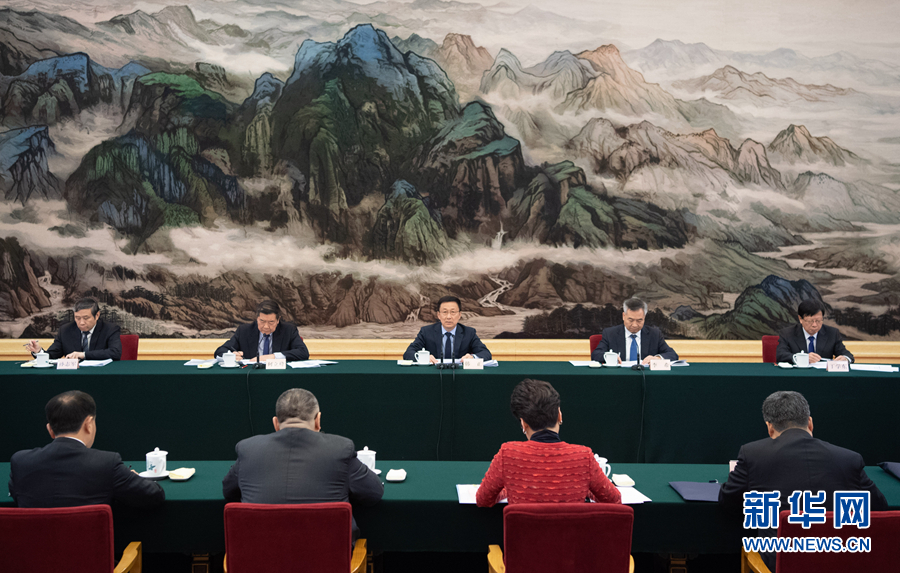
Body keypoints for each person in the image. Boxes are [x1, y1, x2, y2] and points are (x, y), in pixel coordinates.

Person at [222, 388, 383, 542]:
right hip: (326, 557)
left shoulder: (248, 449)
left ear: (276, 423)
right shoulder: (341, 449)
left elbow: (229, 492)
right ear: (318, 420)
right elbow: (374, 493)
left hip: (258, 557)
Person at [476, 379, 621, 506]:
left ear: (523, 424)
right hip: (570, 530)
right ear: (559, 415)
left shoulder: (508, 454)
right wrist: (583, 489)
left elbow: (483, 500)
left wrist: (509, 490)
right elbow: (614, 499)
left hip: (524, 530)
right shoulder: (584, 456)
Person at [8, 390, 165, 508]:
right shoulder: (106, 463)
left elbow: (17, 495)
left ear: (50, 430)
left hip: (36, 544)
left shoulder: (20, 461)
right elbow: (154, 495)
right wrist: (132, 478)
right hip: (91, 544)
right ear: (88, 424)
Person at [25, 298, 122, 361]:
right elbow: (52, 355)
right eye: (77, 318)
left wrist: (83, 355)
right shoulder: (65, 330)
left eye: (86, 318)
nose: (81, 322)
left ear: (97, 315)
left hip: (100, 375)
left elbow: (115, 353)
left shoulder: (110, 329)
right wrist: (38, 352)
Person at [403, 295, 491, 363]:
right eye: (445, 312)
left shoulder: (469, 333)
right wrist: (424, 357)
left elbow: (486, 353)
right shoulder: (426, 332)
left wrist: (473, 357)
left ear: (459, 315)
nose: (448, 317)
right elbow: (408, 353)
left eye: (453, 312)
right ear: (438, 315)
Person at [214, 299, 309, 362]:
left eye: (271, 322)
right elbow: (219, 351)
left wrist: (273, 357)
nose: (266, 326)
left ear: (278, 320)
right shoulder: (244, 331)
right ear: (257, 318)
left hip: (278, 375)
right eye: (262, 321)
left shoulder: (288, 330)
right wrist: (231, 355)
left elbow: (303, 352)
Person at [591, 298, 677, 364]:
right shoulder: (610, 333)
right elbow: (596, 355)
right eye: (631, 320)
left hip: (645, 377)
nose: (635, 325)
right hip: (619, 376)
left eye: (639, 320)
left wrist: (657, 358)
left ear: (644, 317)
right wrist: (610, 356)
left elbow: (673, 355)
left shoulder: (654, 334)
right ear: (623, 316)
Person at [775, 300, 853, 364]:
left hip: (823, 375)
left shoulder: (832, 333)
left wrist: (845, 358)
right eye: (810, 321)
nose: (814, 325)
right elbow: (780, 355)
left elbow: (847, 355)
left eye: (818, 321)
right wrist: (802, 358)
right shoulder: (787, 333)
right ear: (800, 319)